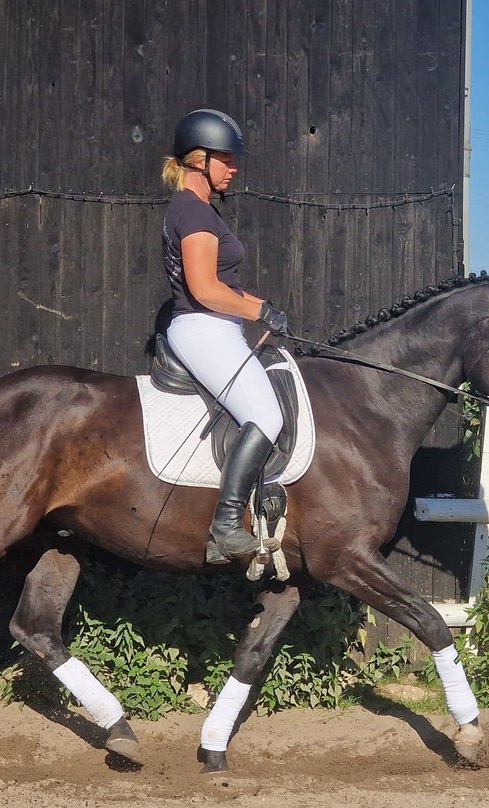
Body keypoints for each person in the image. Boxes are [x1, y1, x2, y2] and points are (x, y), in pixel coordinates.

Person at [160, 108, 290, 564]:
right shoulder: (193, 212)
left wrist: (258, 308)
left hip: (214, 326)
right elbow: (205, 289)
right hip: (203, 327)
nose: (234, 169)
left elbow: (224, 287)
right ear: (199, 160)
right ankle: (227, 526)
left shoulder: (200, 211)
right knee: (267, 417)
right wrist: (259, 310)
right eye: (227, 160)